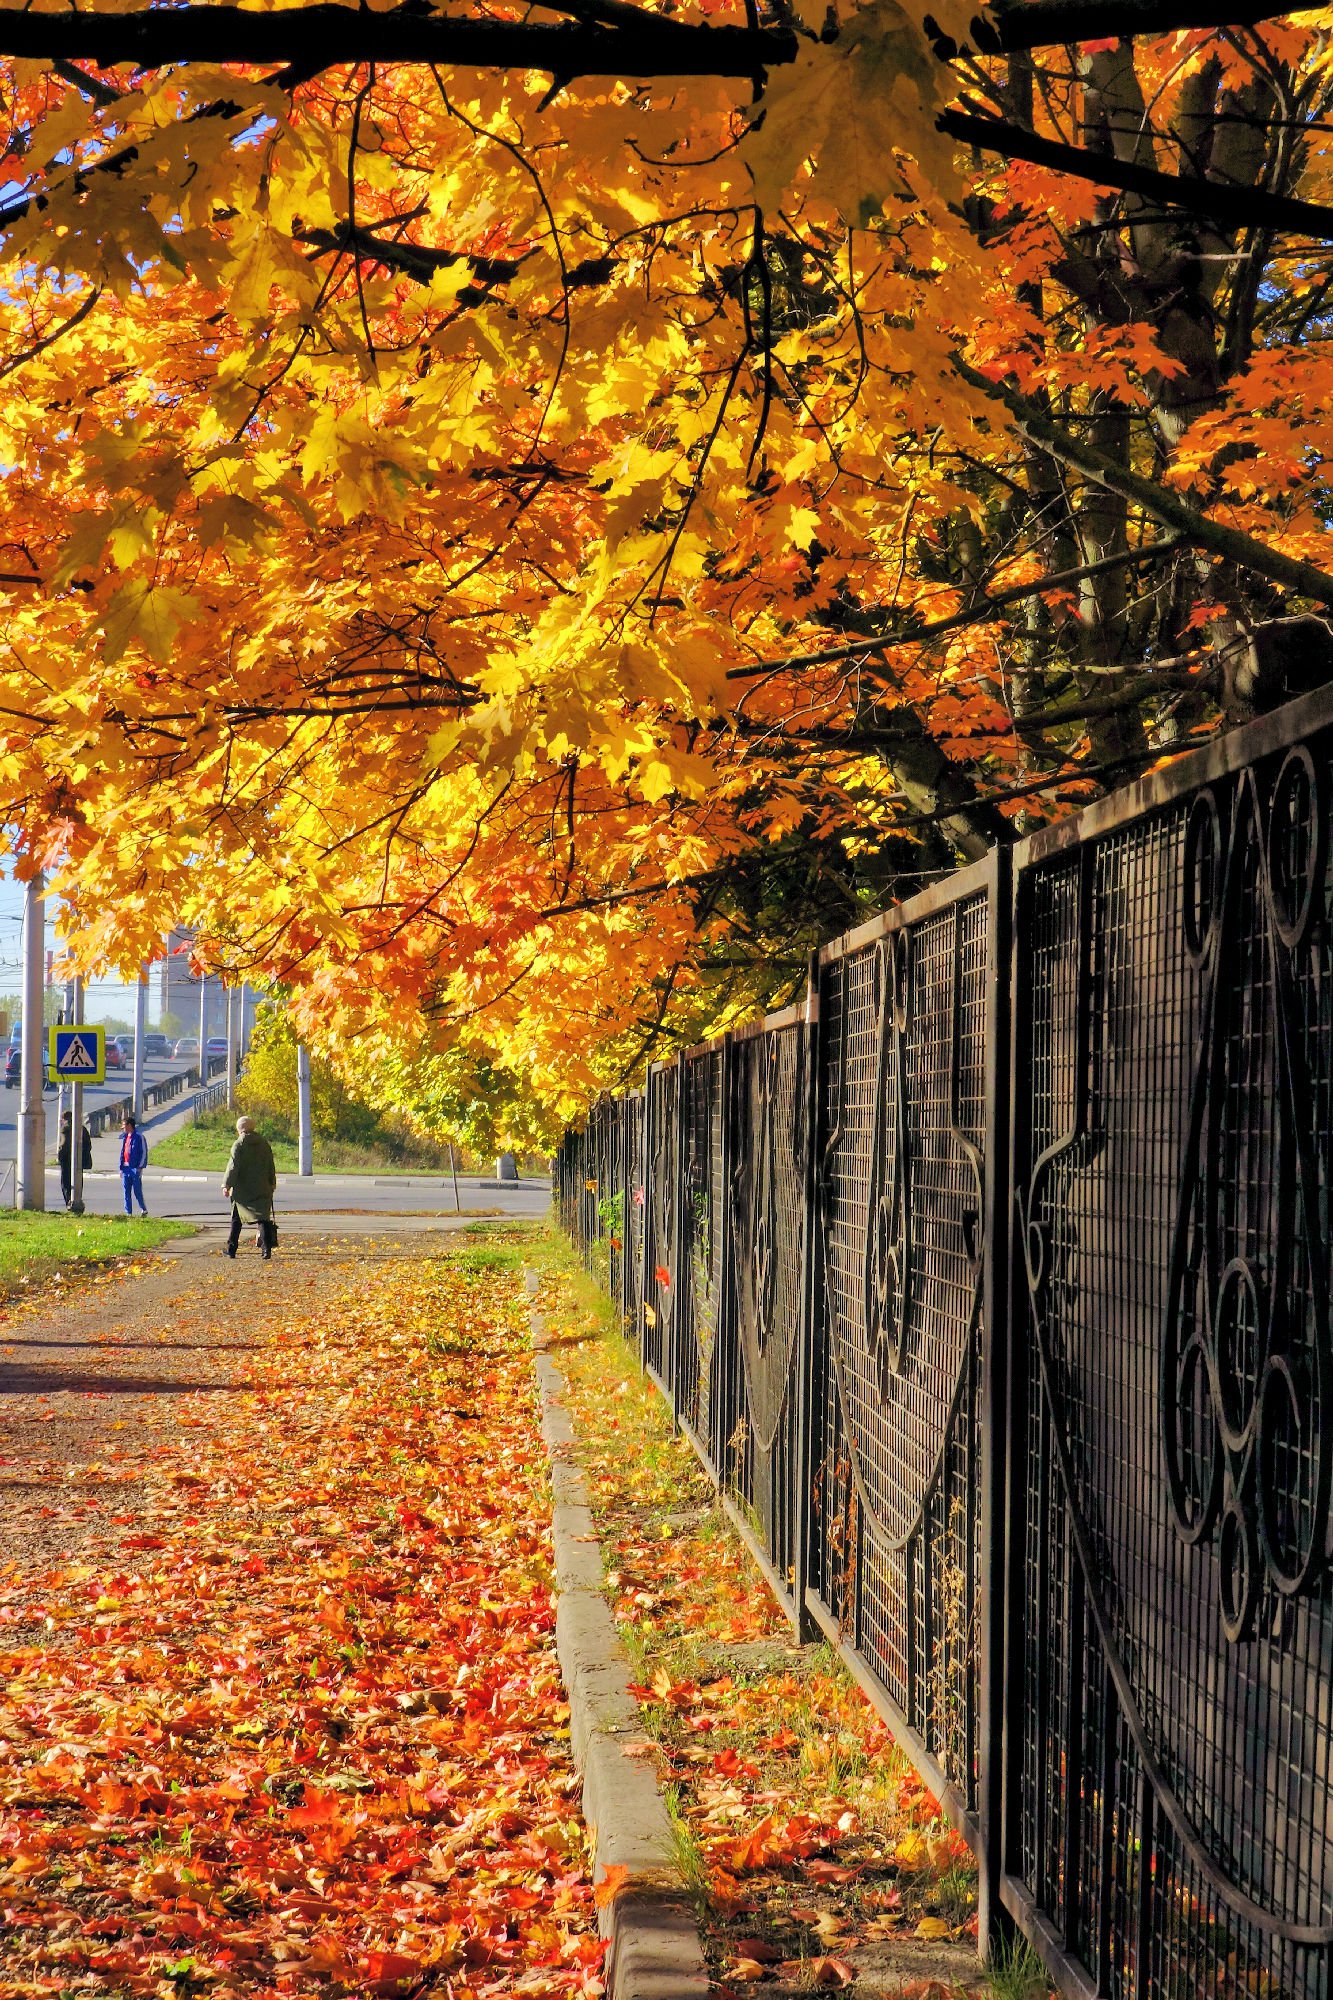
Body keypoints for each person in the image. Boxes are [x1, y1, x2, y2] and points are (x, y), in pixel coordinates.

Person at [223, 1115, 277, 1260]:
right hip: (262, 1187)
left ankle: (231, 1249)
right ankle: (266, 1251)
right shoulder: (264, 1143)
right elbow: (270, 1165)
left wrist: (226, 1185)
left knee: (236, 1218)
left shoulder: (239, 1144)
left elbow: (233, 1167)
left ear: (239, 1129)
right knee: (263, 1219)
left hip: (242, 1190)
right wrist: (272, 1182)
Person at [56, 1111, 92, 1209]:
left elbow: (63, 1146)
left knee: (66, 1183)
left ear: (64, 1119)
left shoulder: (65, 1128)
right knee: (78, 1182)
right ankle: (77, 1200)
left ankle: (69, 1202)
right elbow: (88, 1145)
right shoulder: (82, 1129)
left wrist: (60, 1158)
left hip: (67, 1161)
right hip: (79, 1161)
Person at [119, 1113, 148, 1216]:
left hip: (135, 1168)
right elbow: (123, 1152)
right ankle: (128, 1213)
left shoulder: (139, 1137)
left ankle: (143, 1209)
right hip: (126, 1168)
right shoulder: (125, 1137)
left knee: (137, 1191)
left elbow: (144, 1152)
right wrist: (121, 1168)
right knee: (126, 1192)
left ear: (129, 1125)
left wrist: (140, 1166)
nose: (123, 1128)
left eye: (124, 1126)